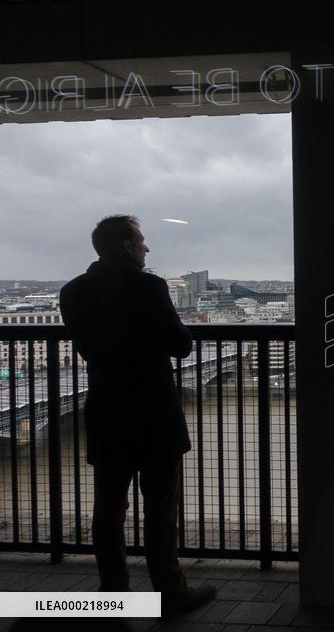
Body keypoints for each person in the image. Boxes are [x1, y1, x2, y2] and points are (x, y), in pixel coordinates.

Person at [60, 215, 216, 618]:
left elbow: (88, 347)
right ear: (127, 245)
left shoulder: (73, 291)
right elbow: (179, 344)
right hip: (153, 412)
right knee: (160, 509)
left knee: (109, 508)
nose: (148, 249)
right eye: (142, 241)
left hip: (106, 409)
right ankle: (171, 592)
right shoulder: (149, 286)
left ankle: (113, 592)